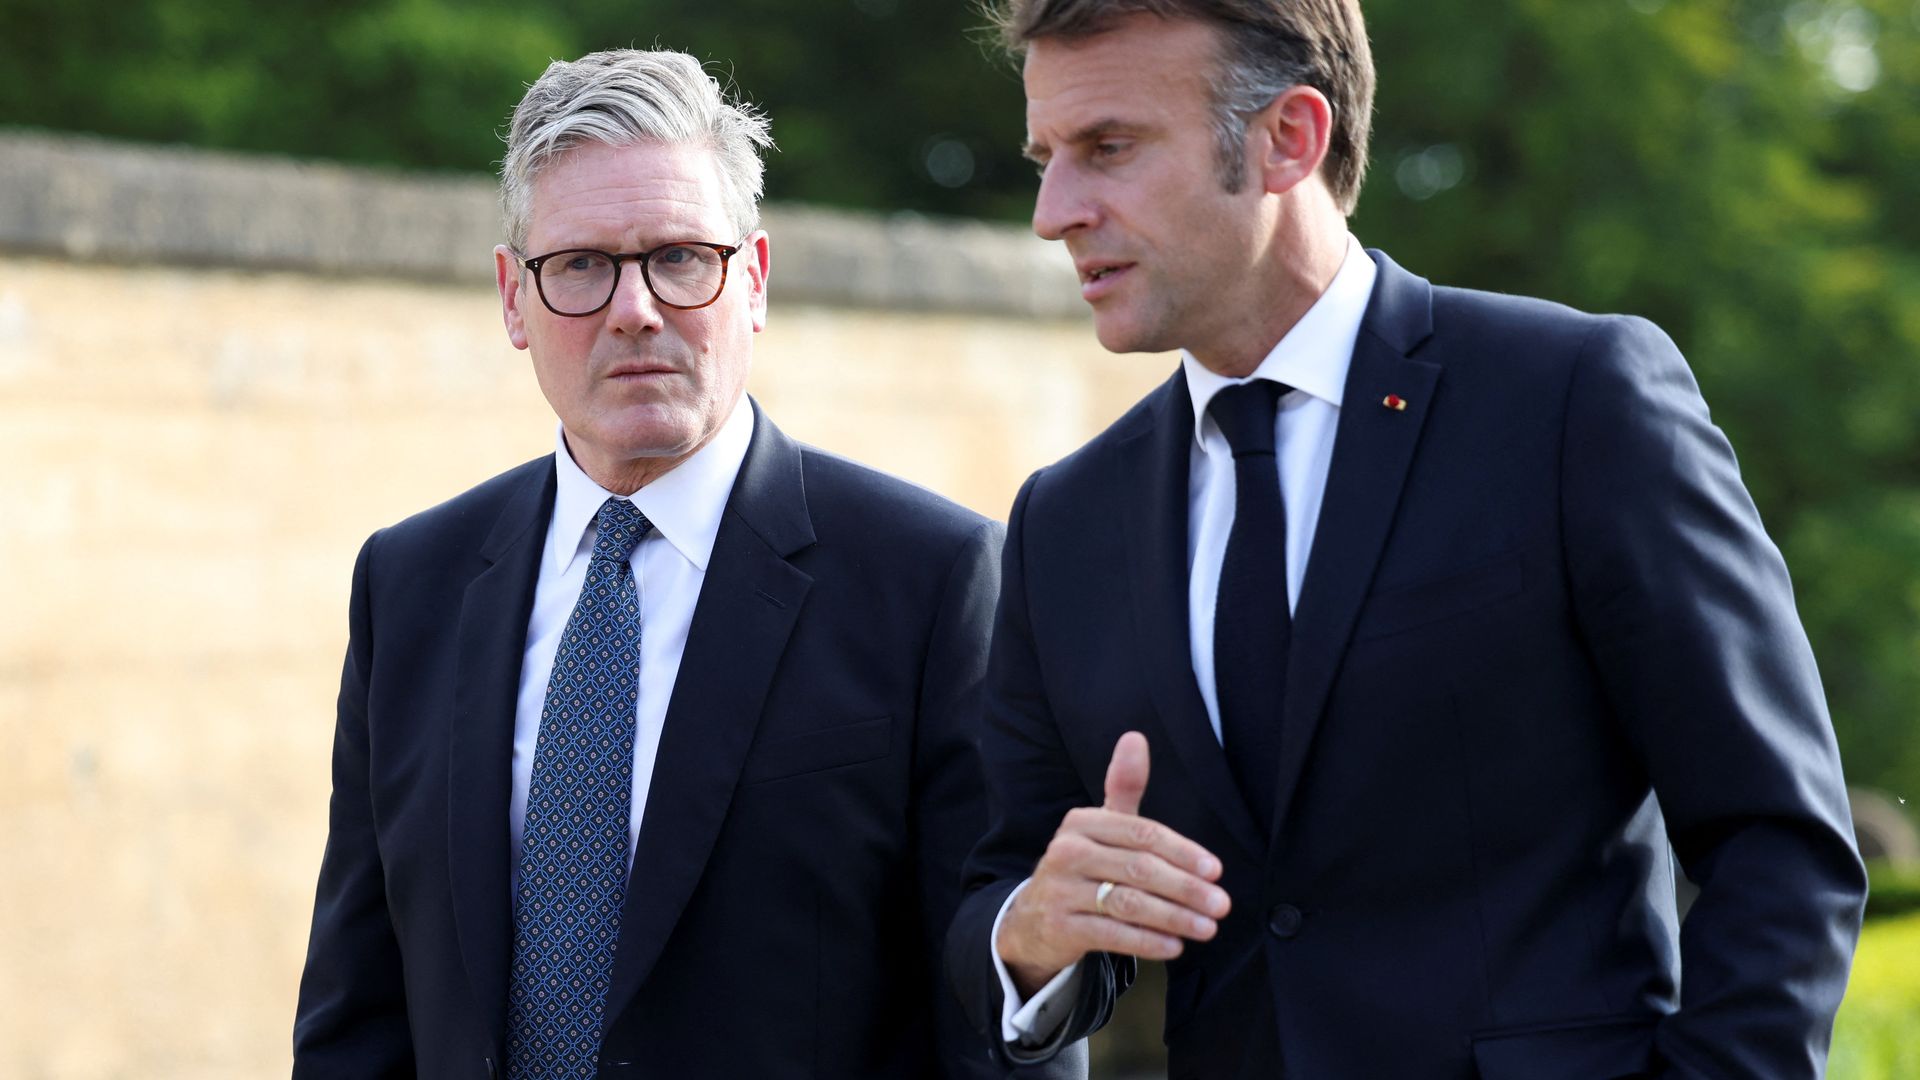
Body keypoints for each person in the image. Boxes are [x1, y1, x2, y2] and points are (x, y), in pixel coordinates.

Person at [944, 3, 1867, 1078]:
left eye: (1109, 148)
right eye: (1046, 157)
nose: (1054, 213)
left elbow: (1780, 842)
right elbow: (1002, 890)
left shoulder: (1573, 402)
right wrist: (1030, 933)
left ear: (1290, 136)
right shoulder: (1065, 519)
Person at [294, 49, 1011, 1079]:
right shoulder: (410, 585)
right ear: (512, 299)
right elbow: (358, 1013)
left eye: (680, 256)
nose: (634, 308)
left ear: (753, 279)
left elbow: (989, 1019)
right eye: (581, 264)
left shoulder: (934, 582)